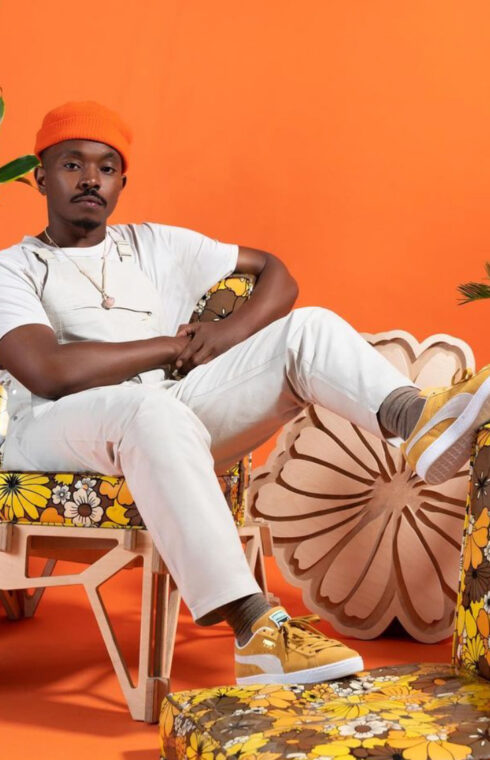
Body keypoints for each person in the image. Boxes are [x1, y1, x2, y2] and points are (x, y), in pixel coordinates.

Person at [0, 101, 489, 686]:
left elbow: (275, 271)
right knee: (148, 406)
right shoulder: (16, 268)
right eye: (71, 164)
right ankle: (257, 628)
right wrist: (168, 347)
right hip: (51, 429)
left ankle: (418, 419)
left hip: (160, 421)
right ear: (40, 177)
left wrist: (224, 335)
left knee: (306, 328)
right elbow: (46, 370)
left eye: (106, 168)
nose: (89, 179)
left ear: (121, 182)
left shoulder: (155, 245)